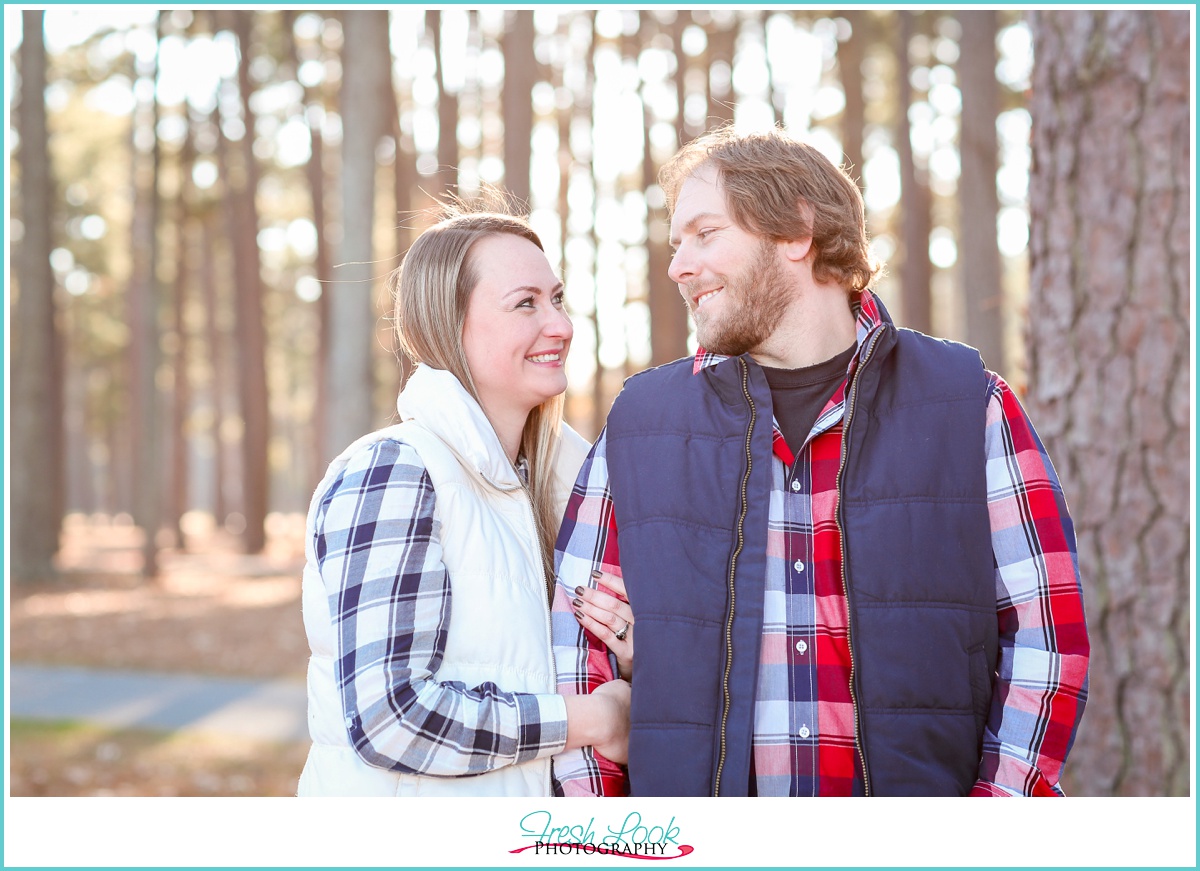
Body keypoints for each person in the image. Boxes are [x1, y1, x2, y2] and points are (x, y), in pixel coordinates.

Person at [553, 127, 1090, 797]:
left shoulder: (969, 404)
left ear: (796, 230)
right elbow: (576, 658)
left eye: (704, 233)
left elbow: (1045, 639)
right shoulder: (639, 425)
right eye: (675, 243)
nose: (677, 266)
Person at [298, 210, 630, 797]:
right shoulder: (396, 470)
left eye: (556, 298)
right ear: (451, 325)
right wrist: (592, 720)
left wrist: (632, 659)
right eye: (525, 303)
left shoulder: (572, 495)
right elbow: (389, 720)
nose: (560, 324)